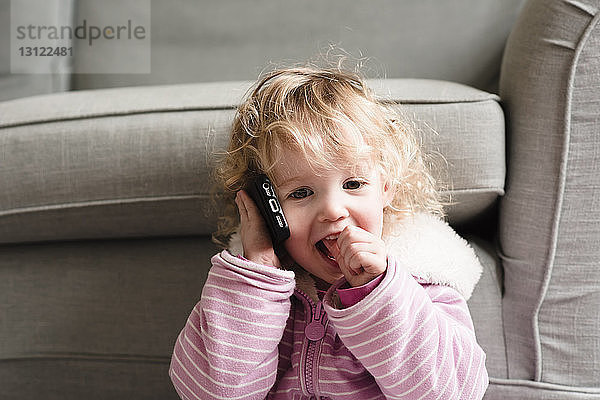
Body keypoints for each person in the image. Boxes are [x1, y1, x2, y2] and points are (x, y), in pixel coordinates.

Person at [169, 65, 489, 399]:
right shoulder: (247, 290)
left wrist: (379, 293)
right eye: (301, 193)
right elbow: (208, 392)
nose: (333, 210)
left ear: (386, 188)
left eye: (353, 184)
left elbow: (454, 392)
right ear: (266, 207)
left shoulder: (422, 280)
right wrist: (259, 275)